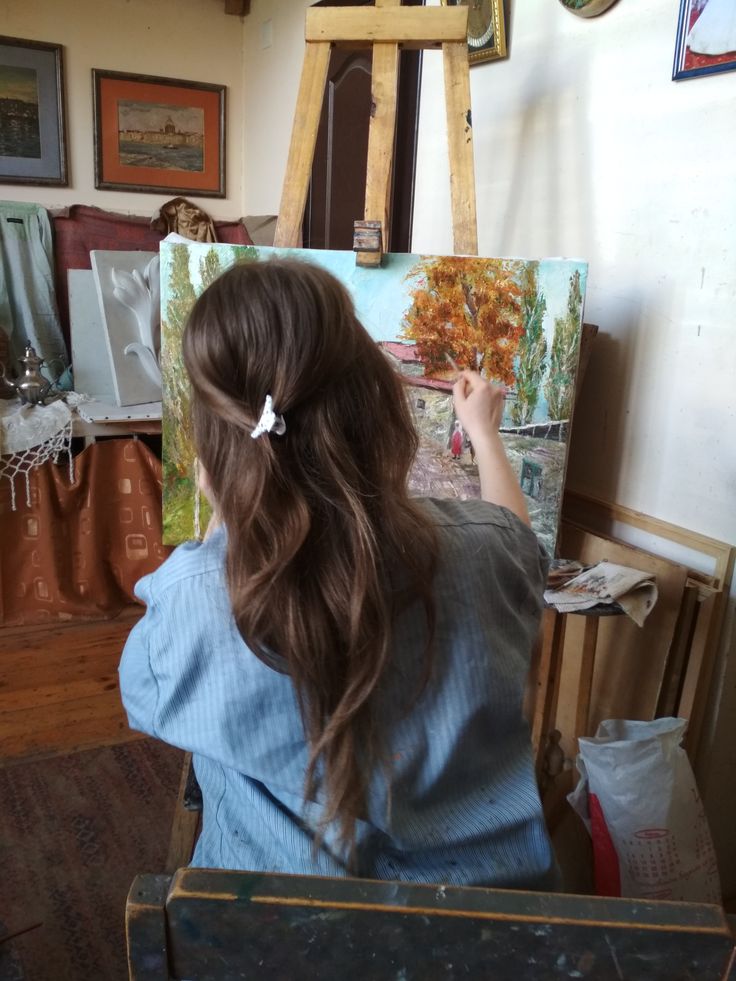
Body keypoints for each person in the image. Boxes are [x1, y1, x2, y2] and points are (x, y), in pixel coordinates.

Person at [119, 257, 558, 890]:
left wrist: (228, 514)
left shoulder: (193, 600)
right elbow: (516, 541)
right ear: (376, 400)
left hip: (274, 942)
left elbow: (147, 699)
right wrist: (483, 435)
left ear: (215, 439)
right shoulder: (490, 551)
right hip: (486, 939)